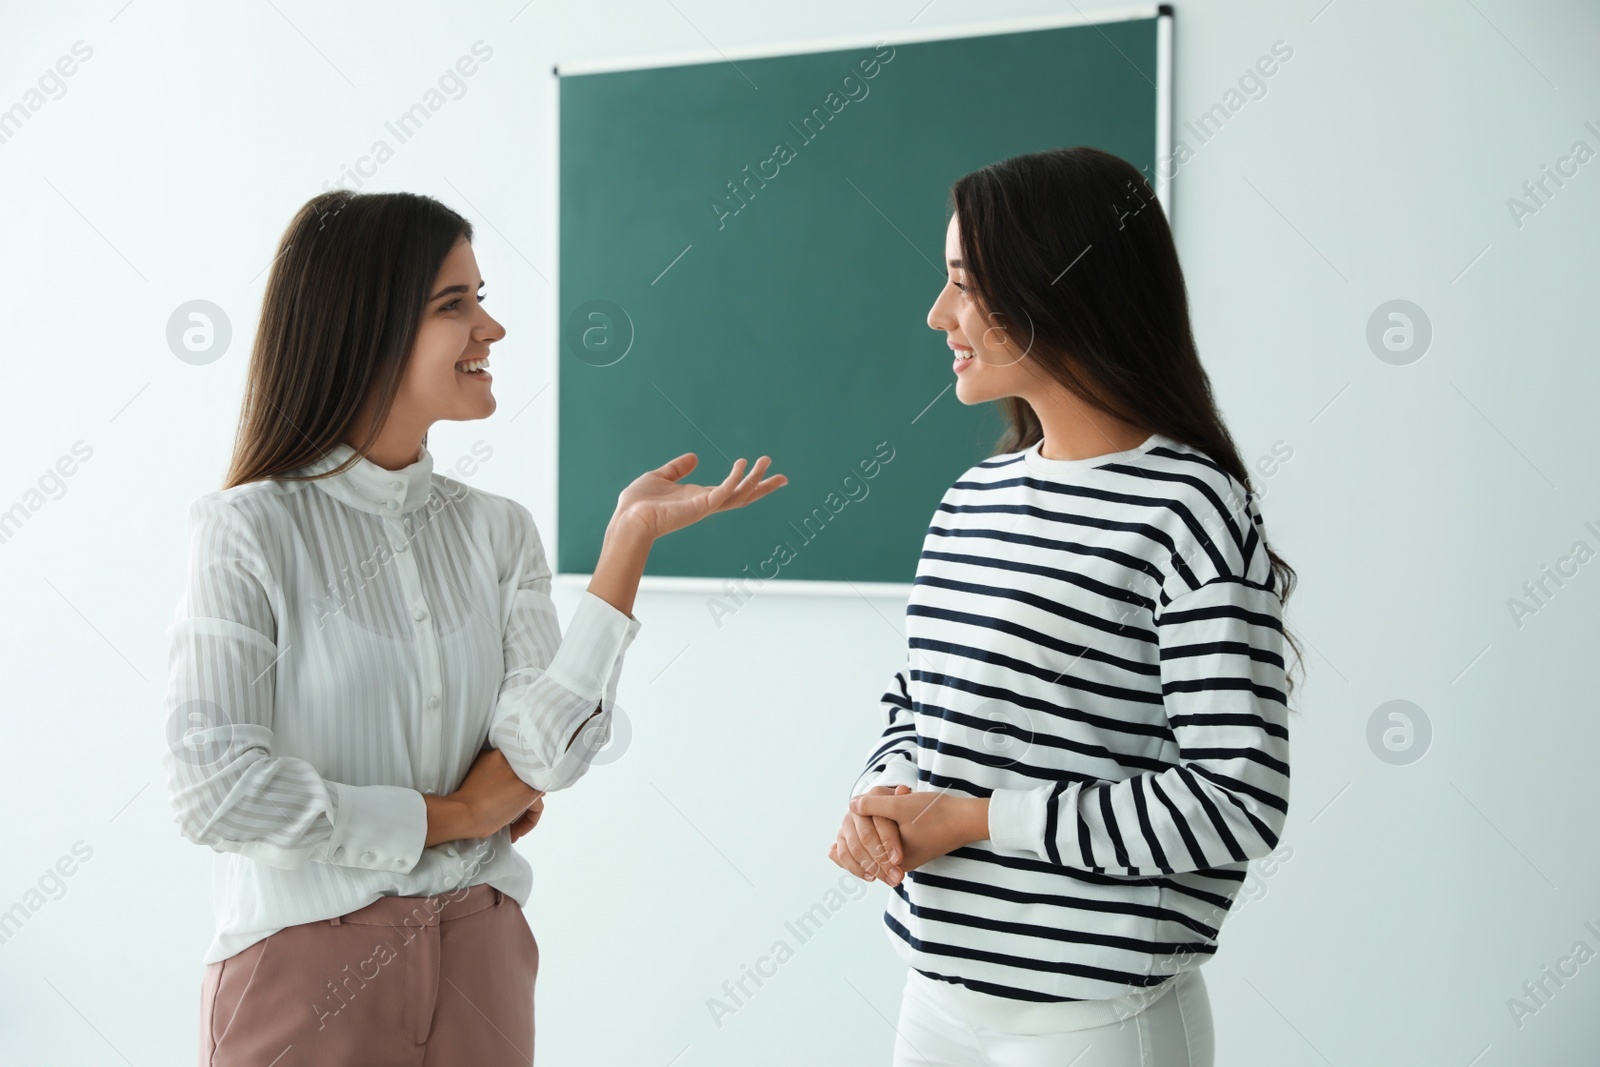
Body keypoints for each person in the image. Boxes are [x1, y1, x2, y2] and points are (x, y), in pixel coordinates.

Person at [161, 189, 786, 1066]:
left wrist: (625, 546)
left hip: (482, 951)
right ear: (364, 327)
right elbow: (214, 789)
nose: (490, 328)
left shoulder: (499, 529)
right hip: (305, 961)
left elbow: (544, 754)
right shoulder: (248, 527)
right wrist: (452, 813)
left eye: (481, 298)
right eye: (455, 304)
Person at [829, 146, 1303, 1067]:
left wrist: (977, 819)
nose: (938, 314)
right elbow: (916, 705)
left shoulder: (1189, 508)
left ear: (1056, 289)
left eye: (966, 284)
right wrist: (877, 794)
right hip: (934, 992)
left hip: (1099, 1020)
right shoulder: (972, 498)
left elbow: (1237, 799)